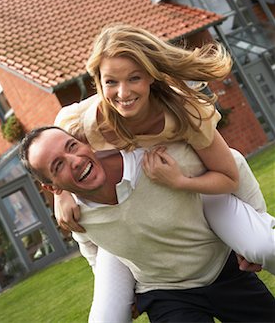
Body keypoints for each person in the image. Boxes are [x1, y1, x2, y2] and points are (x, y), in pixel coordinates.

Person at [52, 24, 274, 321]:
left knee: (265, 247)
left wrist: (181, 181)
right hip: (125, 226)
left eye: (134, 78)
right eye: (110, 82)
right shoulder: (80, 121)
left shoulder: (184, 112)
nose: (123, 93)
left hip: (195, 199)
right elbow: (50, 159)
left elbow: (231, 172)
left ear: (151, 75)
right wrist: (62, 195)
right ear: (98, 82)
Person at [20, 126, 275, 323]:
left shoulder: (153, 162)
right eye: (58, 165)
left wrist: (252, 228)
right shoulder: (74, 214)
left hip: (221, 269)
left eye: (72, 146)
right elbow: (90, 244)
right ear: (52, 187)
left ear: (85, 142)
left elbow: (232, 163)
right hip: (164, 293)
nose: (74, 160)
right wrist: (121, 292)